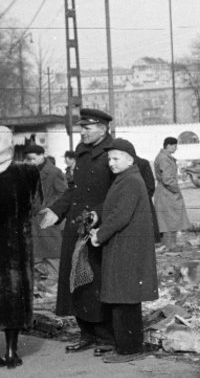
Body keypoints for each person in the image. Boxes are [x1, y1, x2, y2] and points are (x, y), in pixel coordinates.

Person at [39, 108, 115, 355]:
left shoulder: (113, 153)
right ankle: (87, 334)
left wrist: (99, 215)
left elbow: (120, 193)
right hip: (76, 226)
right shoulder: (82, 154)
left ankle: (105, 336)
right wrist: (55, 210)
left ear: (103, 128)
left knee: (97, 281)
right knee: (76, 280)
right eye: (81, 127)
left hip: (99, 229)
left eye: (87, 127)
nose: (82, 131)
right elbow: (73, 190)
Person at [89, 138, 159, 363]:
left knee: (125, 301)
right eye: (109, 158)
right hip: (125, 249)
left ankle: (129, 350)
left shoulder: (129, 181)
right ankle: (125, 346)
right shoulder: (126, 178)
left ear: (130, 159)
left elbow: (120, 215)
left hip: (126, 250)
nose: (111, 162)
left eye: (116, 158)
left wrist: (99, 235)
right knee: (124, 300)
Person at [0, 126, 42, 369]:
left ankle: (12, 350)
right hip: (13, 245)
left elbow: (37, 204)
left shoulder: (27, 172)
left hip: (16, 247)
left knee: (14, 298)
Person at [24, 145, 68, 295]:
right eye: (27, 159)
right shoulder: (26, 172)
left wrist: (47, 206)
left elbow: (64, 195)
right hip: (32, 223)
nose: (30, 162)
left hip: (49, 223)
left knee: (52, 257)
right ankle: (39, 292)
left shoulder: (55, 173)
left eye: (33, 159)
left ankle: (50, 293)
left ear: (43, 155)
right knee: (35, 259)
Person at [154, 137, 190, 250]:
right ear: (168, 146)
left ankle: (169, 244)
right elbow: (167, 179)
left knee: (168, 219)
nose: (176, 148)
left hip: (165, 192)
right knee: (170, 219)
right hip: (167, 192)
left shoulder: (164, 157)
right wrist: (176, 190)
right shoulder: (165, 159)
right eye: (174, 146)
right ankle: (170, 245)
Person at [134, 154, 160, 242]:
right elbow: (150, 186)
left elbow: (150, 186)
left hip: (143, 202)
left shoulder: (142, 163)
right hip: (144, 202)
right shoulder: (143, 163)